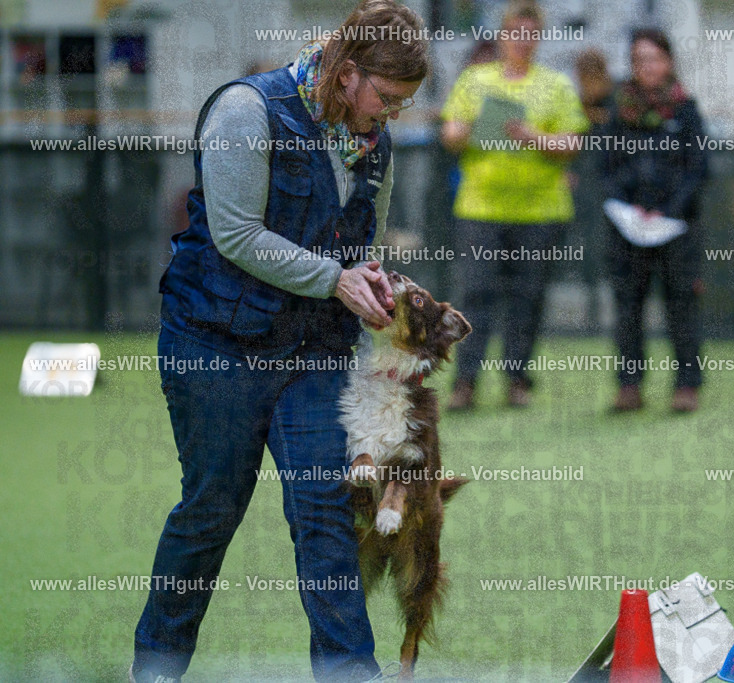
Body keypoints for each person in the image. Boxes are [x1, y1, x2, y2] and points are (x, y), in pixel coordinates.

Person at [131, 2, 426, 681]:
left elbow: (360, 247)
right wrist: (336, 279)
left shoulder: (377, 143)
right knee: (211, 509)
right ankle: (155, 669)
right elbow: (236, 234)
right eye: (386, 97)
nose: (391, 115)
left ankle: (350, 674)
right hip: (215, 343)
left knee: (326, 509)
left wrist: (370, 284)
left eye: (404, 103)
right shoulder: (247, 110)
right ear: (347, 75)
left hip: (313, 351)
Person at [440, 0, 589, 410]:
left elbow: (572, 143)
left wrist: (531, 136)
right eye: (515, 33)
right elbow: (450, 135)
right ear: (502, 36)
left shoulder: (556, 85)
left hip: (542, 212)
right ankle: (465, 383)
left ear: (538, 38)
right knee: (475, 294)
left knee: (528, 297)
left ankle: (517, 380)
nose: (522, 41)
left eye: (530, 34)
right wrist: (472, 128)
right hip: (480, 209)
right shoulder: (474, 80)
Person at [603, 28, 708, 413]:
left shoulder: (686, 110)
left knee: (681, 306)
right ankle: (629, 386)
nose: (646, 67)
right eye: (639, 60)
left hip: (676, 227)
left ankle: (687, 386)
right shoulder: (619, 111)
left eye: (654, 58)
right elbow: (606, 167)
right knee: (628, 307)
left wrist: (669, 209)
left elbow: (698, 169)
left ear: (668, 62)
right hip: (627, 227)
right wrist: (631, 207)